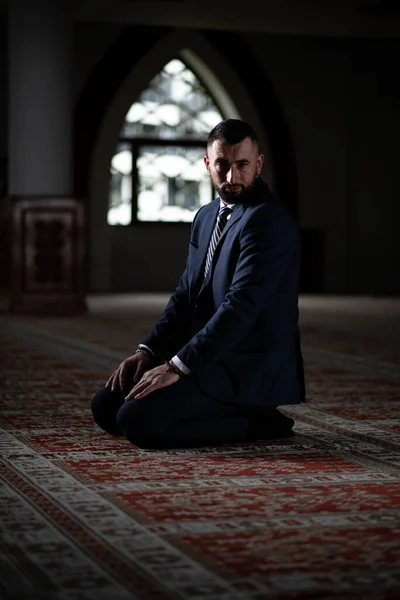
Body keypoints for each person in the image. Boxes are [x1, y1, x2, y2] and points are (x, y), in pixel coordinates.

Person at [91, 119, 305, 449]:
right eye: (222, 164)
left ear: (258, 164)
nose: (232, 177)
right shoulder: (206, 215)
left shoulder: (268, 220)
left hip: (245, 364)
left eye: (242, 165)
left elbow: (240, 308)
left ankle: (258, 421)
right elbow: (185, 295)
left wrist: (177, 366)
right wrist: (148, 351)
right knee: (105, 407)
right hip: (208, 354)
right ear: (208, 164)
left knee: (136, 422)